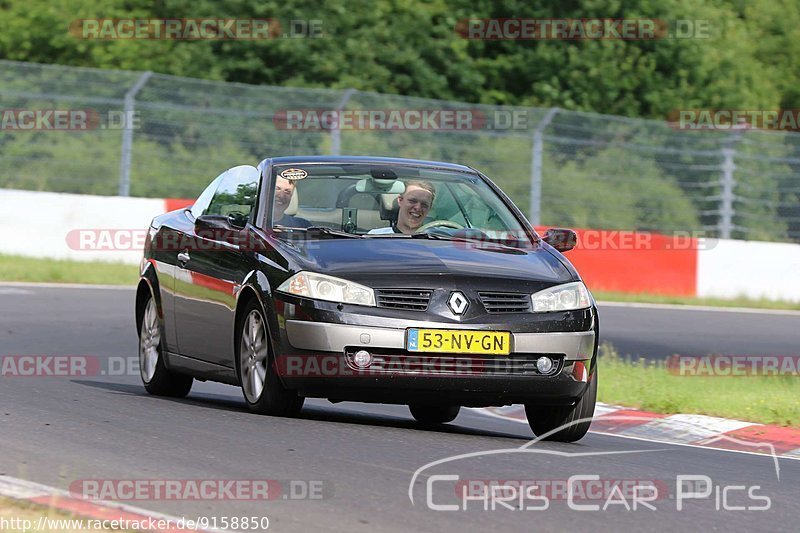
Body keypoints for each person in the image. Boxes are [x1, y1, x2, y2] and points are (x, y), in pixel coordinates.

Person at [368, 180, 435, 234]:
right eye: (412, 201)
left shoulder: (439, 240)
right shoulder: (375, 237)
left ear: (430, 208)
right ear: (400, 200)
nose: (418, 208)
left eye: (424, 204)